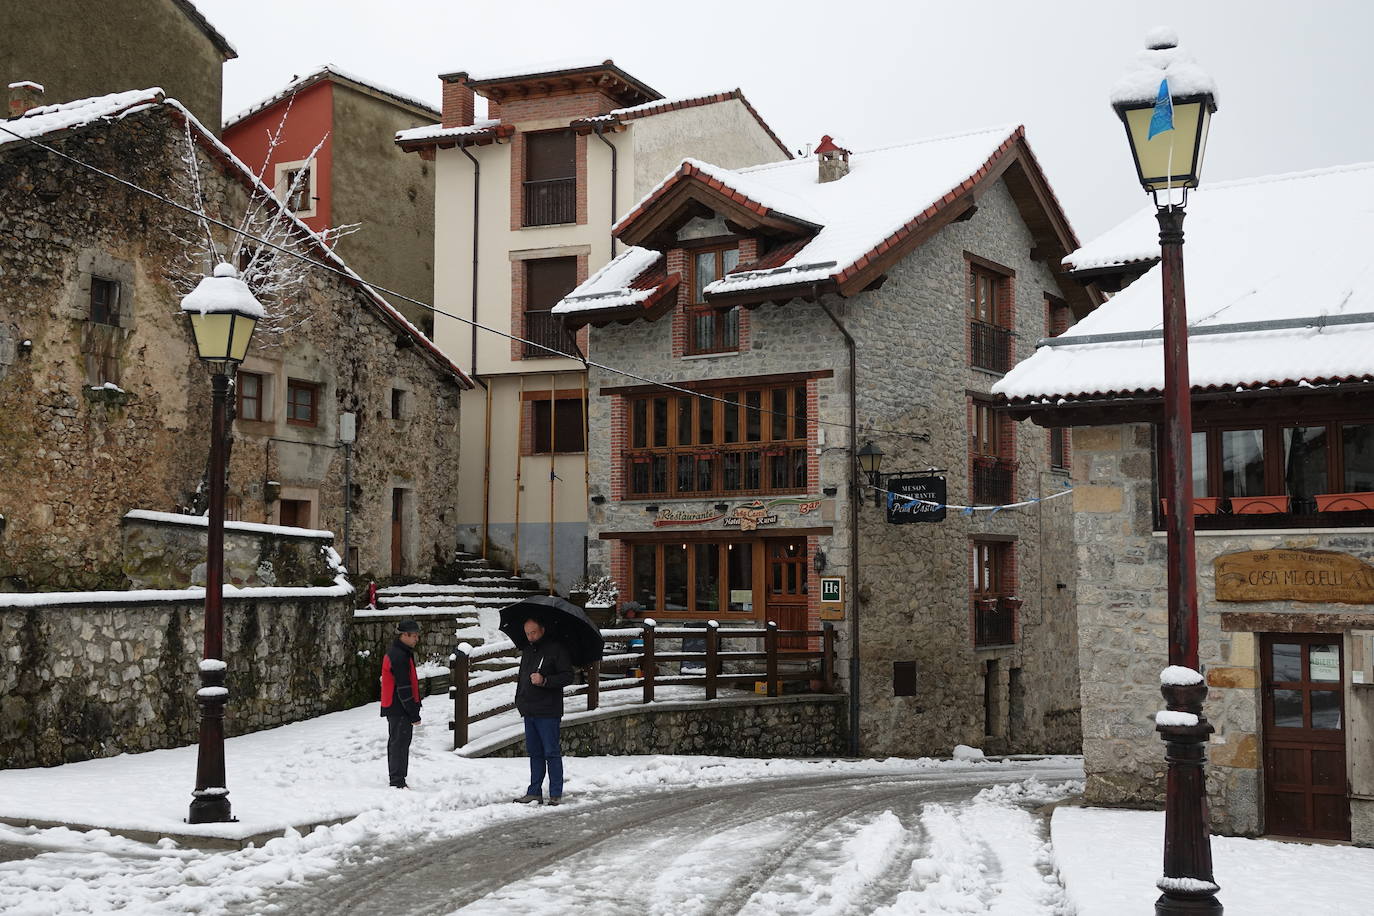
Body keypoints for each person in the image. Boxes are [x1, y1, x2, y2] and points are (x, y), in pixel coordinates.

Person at [513, 617, 574, 805]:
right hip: (529, 708)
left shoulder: (556, 649)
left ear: (542, 630)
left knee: (551, 752)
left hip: (548, 710)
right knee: (534, 753)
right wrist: (520, 699)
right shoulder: (528, 650)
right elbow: (523, 676)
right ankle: (534, 791)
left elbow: (568, 676)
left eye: (533, 632)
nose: (530, 636)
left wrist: (545, 680)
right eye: (527, 633)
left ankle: (555, 792)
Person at [380, 619, 422, 788]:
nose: (417, 639)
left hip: (396, 707)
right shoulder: (399, 655)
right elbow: (404, 687)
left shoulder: (401, 652)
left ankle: (397, 779)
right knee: (399, 744)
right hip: (399, 708)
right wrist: (413, 712)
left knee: (398, 743)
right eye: (414, 636)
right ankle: (397, 781)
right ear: (404, 635)